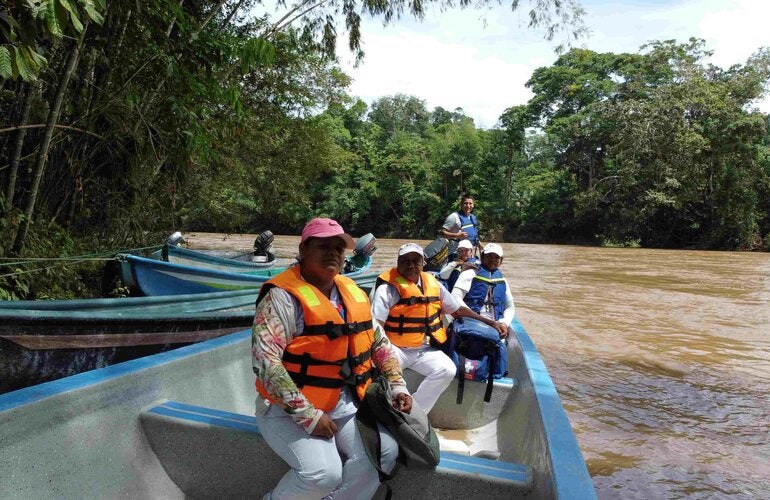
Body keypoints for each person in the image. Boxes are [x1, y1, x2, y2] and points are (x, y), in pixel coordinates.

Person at [252, 218, 412, 500]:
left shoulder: (351, 291)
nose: (333, 253)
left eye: (339, 248)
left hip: (340, 399)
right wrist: (309, 416)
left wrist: (397, 384)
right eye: (323, 246)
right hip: (285, 406)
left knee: (384, 453)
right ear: (303, 250)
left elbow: (378, 342)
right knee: (323, 474)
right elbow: (266, 363)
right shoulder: (281, 297)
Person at [370, 243, 507, 413]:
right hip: (396, 349)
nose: (411, 265)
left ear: (423, 263)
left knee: (448, 369)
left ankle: (415, 412)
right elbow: (376, 329)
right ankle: (393, 402)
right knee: (374, 366)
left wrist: (492, 323)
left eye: (416, 260)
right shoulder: (387, 289)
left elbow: (458, 310)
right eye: (405, 261)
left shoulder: (433, 284)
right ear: (398, 262)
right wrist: (386, 358)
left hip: (424, 349)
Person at [451, 243, 515, 334]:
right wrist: (484, 321)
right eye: (489, 256)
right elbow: (455, 298)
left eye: (496, 257)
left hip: (496, 324)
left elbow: (510, 307)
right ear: (482, 256)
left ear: (501, 260)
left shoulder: (502, 279)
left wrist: (504, 323)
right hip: (471, 322)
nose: (493, 260)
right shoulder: (470, 273)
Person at [441, 194, 481, 258]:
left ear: (473, 205)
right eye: (465, 203)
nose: (468, 206)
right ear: (461, 205)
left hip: (469, 254)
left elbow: (475, 236)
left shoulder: (473, 218)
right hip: (455, 254)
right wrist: (457, 235)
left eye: (470, 203)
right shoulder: (454, 217)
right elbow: (443, 233)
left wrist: (481, 247)